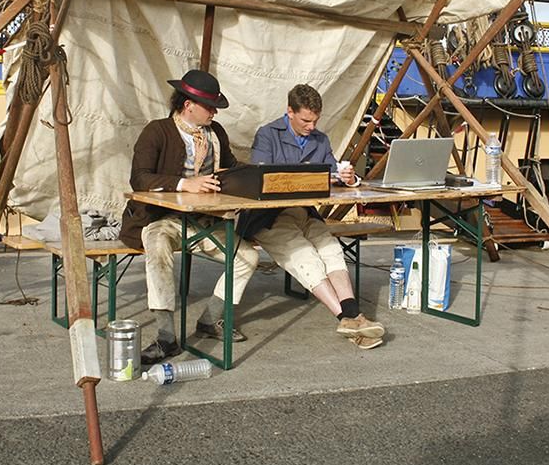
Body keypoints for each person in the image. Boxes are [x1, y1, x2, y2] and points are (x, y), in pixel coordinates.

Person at [119, 69, 260, 365]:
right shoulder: (157, 131)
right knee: (156, 249)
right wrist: (185, 184)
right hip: (163, 219)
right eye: (210, 107)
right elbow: (140, 178)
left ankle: (211, 320)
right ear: (187, 105)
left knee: (247, 257)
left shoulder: (216, 134)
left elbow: (230, 168)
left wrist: (254, 177)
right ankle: (166, 337)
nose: (213, 112)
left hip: (205, 223)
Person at [247, 84, 386, 349]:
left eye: (315, 120)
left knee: (331, 249)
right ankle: (350, 316)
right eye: (305, 120)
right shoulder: (267, 135)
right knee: (305, 257)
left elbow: (333, 173)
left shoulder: (320, 140)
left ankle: (351, 319)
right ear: (289, 111)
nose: (311, 126)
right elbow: (260, 178)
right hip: (269, 218)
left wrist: (349, 178)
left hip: (304, 212)